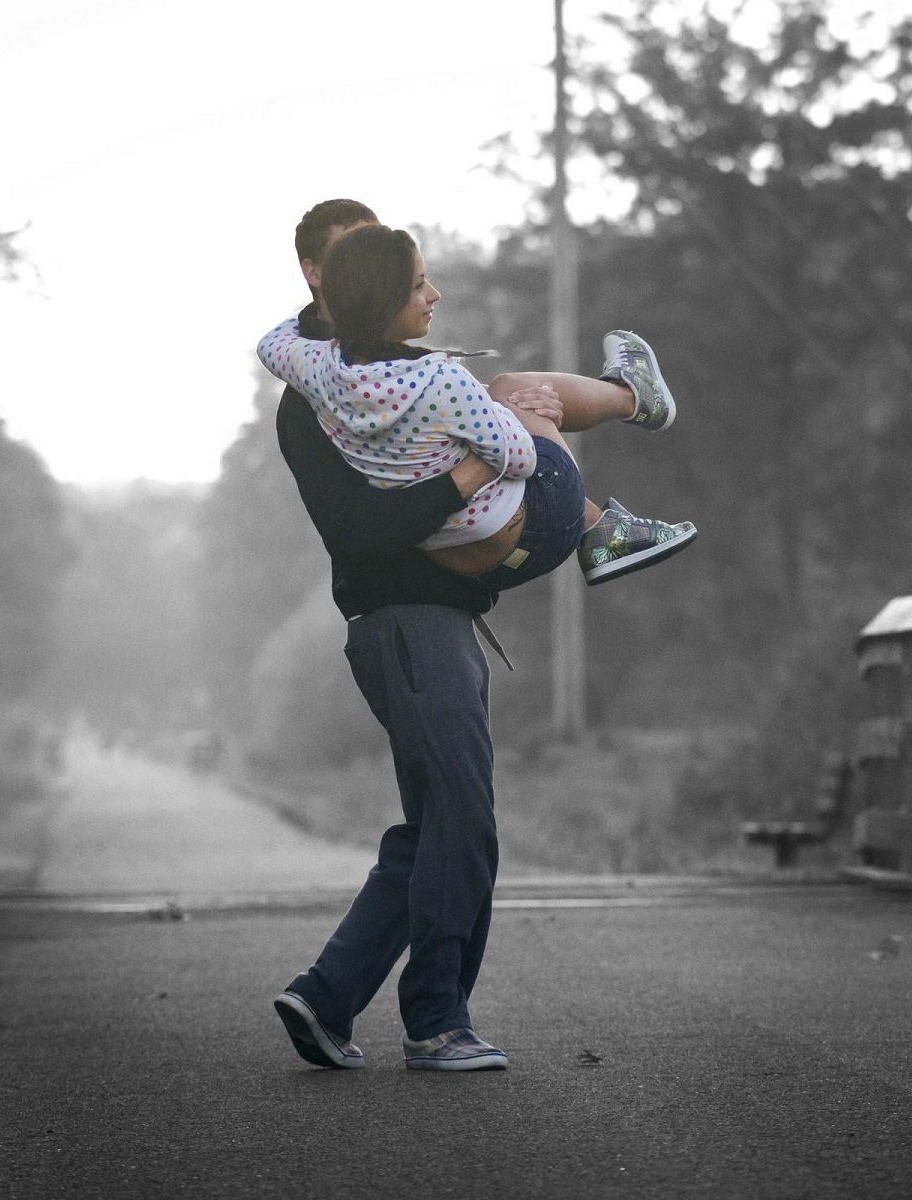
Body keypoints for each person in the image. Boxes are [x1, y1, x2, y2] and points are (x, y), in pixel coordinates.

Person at [268, 199, 524, 1072]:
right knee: (465, 822)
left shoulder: (407, 377)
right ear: (317, 276)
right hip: (400, 622)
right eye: (355, 263)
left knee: (434, 828)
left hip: (438, 620)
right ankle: (437, 1022)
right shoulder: (314, 403)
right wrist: (470, 469)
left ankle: (328, 996)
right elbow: (360, 532)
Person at [258, 222, 696, 591]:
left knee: (492, 403)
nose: (434, 294)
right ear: (385, 301)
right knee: (508, 388)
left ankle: (603, 527)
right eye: (417, 285)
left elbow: (271, 343)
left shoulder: (316, 370)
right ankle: (633, 396)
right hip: (535, 527)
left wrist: (342, 291)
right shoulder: (443, 379)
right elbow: (521, 460)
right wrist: (518, 414)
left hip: (455, 557)